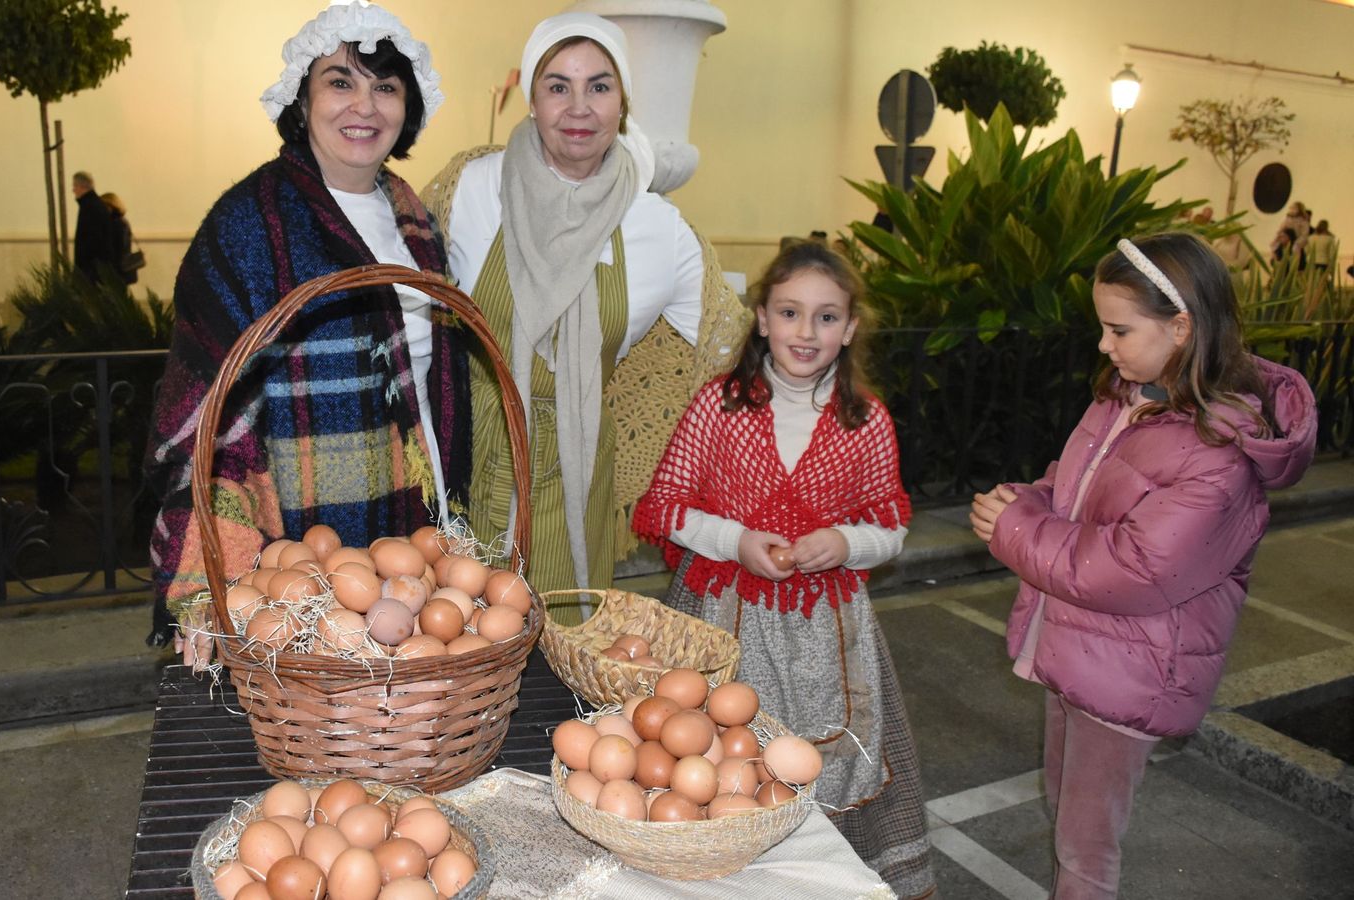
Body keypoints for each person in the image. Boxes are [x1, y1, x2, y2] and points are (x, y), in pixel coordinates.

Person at [970, 233, 1317, 899]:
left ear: (1181, 327)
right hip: (1080, 646)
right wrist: (1025, 500)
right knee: (1066, 811)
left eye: (1119, 329)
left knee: (1085, 848)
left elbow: (1132, 570)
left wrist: (1015, 529)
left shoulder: (1217, 451)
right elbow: (1073, 489)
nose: (1104, 345)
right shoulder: (1127, 396)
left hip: (1132, 669)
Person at [145, 3, 470, 661]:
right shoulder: (247, 224)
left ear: (407, 107)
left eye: (386, 86)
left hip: (414, 510)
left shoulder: (414, 218)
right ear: (303, 97)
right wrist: (210, 577)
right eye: (340, 81)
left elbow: (431, 381)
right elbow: (208, 415)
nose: (365, 106)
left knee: (404, 692)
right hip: (297, 530)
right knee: (310, 697)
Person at [633, 241, 935, 898]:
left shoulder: (865, 420)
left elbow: (890, 527)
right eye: (790, 312)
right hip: (720, 618)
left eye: (827, 317)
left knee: (826, 757)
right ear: (763, 319)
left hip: (829, 632)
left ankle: (818, 879)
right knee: (713, 755)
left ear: (849, 329)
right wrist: (736, 540)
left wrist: (845, 543)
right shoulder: (719, 406)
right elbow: (666, 506)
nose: (807, 331)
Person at [424, 12, 747, 601]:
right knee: (451, 635)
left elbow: (728, 350)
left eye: (599, 86)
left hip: (575, 470)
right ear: (532, 100)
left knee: (563, 637)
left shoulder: (657, 227)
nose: (579, 108)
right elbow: (403, 308)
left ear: (623, 103)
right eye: (558, 86)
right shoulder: (471, 187)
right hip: (460, 459)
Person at [72, 171, 119, 283]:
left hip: (91, 270)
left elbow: (90, 241)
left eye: (75, 186)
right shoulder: (95, 204)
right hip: (97, 268)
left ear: (82, 187)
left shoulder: (89, 207)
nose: (73, 190)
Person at [99, 192, 139, 285]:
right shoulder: (121, 221)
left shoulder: (117, 223)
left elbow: (120, 247)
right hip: (120, 268)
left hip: (118, 268)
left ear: (111, 206)